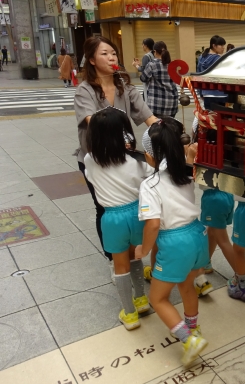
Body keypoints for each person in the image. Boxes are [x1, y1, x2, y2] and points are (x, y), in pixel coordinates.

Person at [74, 36, 158, 278]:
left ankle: (132, 255)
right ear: (91, 60)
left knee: (132, 205)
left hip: (124, 157)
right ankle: (114, 258)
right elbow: (92, 121)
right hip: (96, 158)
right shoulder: (84, 90)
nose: (111, 57)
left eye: (113, 53)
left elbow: (147, 116)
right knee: (104, 208)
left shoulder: (125, 87)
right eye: (104, 53)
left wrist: (166, 131)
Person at [136, 118, 209, 366]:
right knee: (187, 286)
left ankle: (189, 340)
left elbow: (153, 224)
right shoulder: (186, 171)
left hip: (175, 242)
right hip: (197, 235)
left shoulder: (150, 184)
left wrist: (144, 249)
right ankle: (193, 328)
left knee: (157, 299)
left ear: (150, 156)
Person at [84, 107, 152, 330]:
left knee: (120, 265)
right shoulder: (136, 161)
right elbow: (149, 178)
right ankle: (141, 300)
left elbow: (92, 178)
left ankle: (129, 314)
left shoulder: (90, 160)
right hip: (137, 214)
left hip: (112, 218)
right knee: (135, 257)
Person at [134, 41, 178, 119]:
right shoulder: (172, 65)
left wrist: (137, 66)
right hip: (172, 104)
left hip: (156, 105)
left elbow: (143, 78)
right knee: (169, 125)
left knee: (157, 126)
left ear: (155, 52)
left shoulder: (152, 64)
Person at [197, 35, 227, 110]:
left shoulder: (201, 57)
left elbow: (198, 76)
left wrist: (201, 93)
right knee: (220, 116)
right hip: (220, 94)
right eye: (221, 45)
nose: (223, 47)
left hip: (206, 94)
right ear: (214, 46)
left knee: (209, 115)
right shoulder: (219, 59)